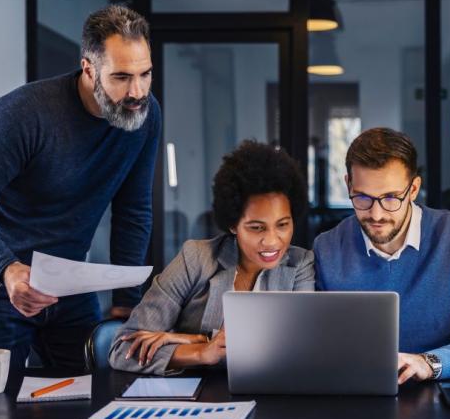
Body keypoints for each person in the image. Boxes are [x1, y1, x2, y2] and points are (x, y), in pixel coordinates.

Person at [0, 5, 160, 371]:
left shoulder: (144, 114)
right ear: (89, 69)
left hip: (69, 282)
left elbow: (133, 209)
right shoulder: (23, 115)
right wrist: (8, 269)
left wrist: (126, 300)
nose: (136, 91)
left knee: (88, 397)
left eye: (145, 74)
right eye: (121, 77)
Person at [314, 128, 450, 384]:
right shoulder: (327, 248)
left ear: (413, 189)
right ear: (348, 185)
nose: (376, 215)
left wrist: (427, 363)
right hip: (355, 396)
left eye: (390, 198)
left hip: (443, 396)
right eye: (363, 197)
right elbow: (316, 347)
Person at [109, 140, 313, 374]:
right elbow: (121, 350)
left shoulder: (300, 265)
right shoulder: (195, 259)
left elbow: (295, 351)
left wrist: (189, 339)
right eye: (257, 228)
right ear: (233, 225)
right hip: (198, 401)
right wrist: (200, 353)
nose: (272, 241)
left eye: (283, 225)